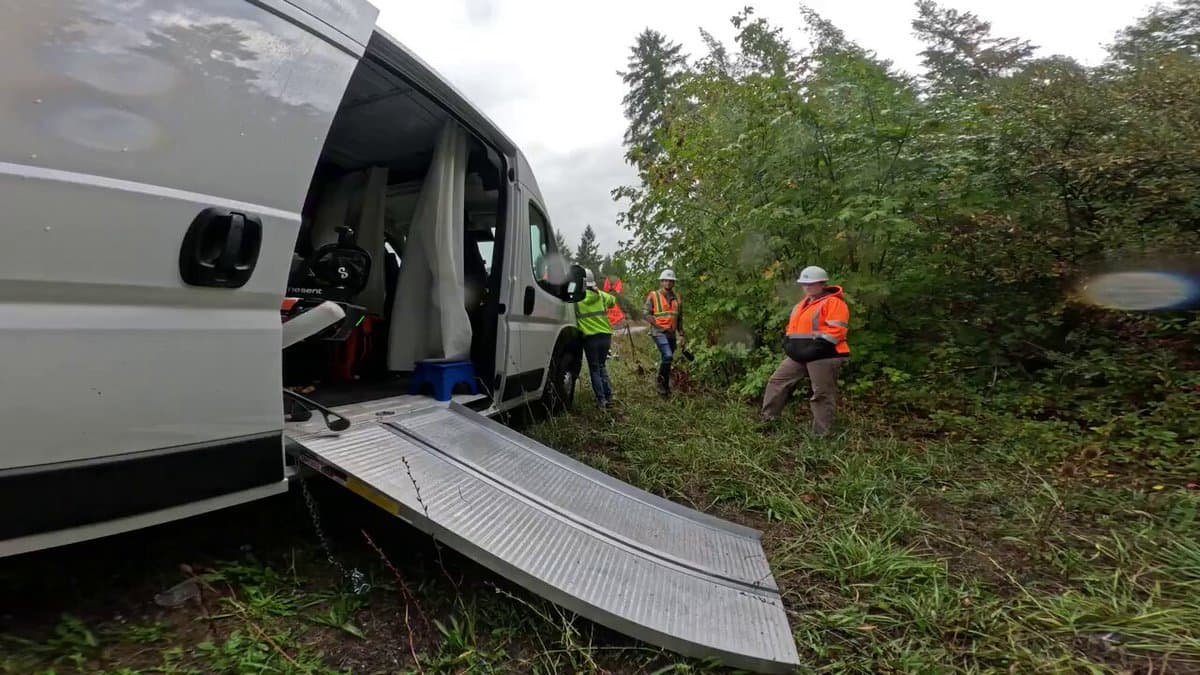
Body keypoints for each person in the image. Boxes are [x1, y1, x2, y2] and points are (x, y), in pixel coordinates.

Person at [760, 266, 850, 436]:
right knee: (777, 382)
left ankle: (821, 435)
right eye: (804, 284)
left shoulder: (834, 303)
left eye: (811, 283)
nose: (807, 287)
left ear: (822, 283)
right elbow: (791, 330)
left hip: (826, 355)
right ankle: (768, 421)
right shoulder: (800, 305)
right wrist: (788, 345)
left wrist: (812, 351)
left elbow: (836, 332)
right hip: (799, 355)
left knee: (821, 394)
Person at [576, 268, 618, 407]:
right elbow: (613, 300)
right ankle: (609, 397)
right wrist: (598, 290)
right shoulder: (600, 295)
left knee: (594, 369)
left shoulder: (577, 299)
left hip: (590, 339)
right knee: (601, 366)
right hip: (606, 336)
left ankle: (601, 400)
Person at [644, 269, 685, 397]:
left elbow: (679, 318)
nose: (668, 283)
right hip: (658, 332)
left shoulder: (677, 298)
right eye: (665, 280)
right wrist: (658, 326)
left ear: (674, 283)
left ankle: (664, 384)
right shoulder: (653, 295)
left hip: (671, 333)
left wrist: (682, 334)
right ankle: (661, 383)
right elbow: (646, 314)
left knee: (667, 359)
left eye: (670, 281)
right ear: (661, 282)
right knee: (667, 356)